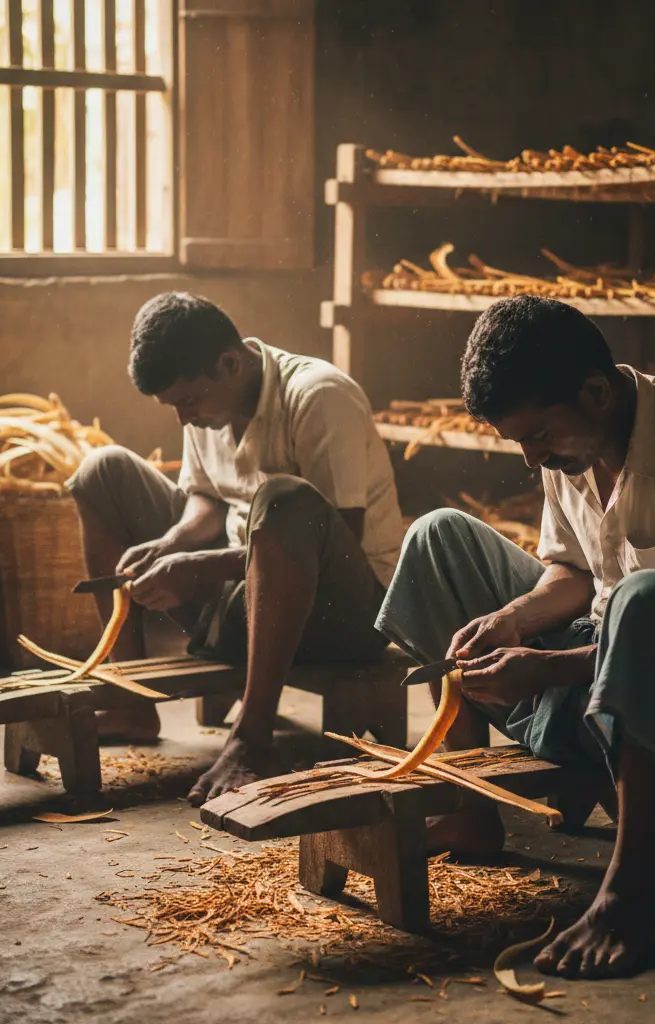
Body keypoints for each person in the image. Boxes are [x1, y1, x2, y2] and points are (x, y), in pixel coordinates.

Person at [375, 295, 655, 978]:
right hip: (608, 652)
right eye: (521, 442)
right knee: (438, 536)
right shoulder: (569, 451)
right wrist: (514, 619)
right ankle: (470, 811)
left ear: (597, 393)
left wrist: (547, 670)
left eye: (539, 436)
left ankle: (629, 896)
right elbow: (573, 573)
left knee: (646, 598)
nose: (532, 459)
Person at [67, 292, 404, 804]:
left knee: (284, 497)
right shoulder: (209, 407)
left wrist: (197, 569)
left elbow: (337, 538)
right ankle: (129, 702)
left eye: (188, 401)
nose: (183, 419)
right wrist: (170, 546)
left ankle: (252, 738)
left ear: (230, 363)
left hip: (343, 611)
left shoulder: (318, 396)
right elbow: (207, 498)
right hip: (242, 597)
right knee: (101, 470)